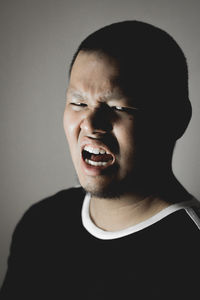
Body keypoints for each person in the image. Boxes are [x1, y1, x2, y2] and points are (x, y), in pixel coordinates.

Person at [1, 20, 200, 299]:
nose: (91, 124)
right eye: (78, 103)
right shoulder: (40, 225)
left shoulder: (191, 256)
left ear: (176, 119)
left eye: (119, 106)